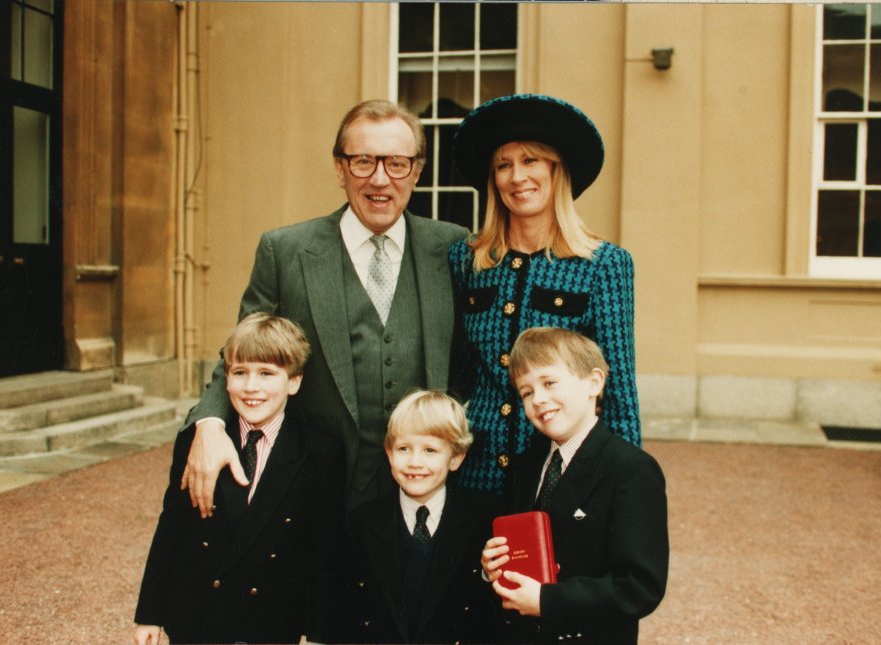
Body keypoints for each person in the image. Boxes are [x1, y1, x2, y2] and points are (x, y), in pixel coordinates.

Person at [181, 99, 467, 512]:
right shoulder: (286, 251)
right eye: (363, 161)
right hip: (316, 491)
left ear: (417, 171)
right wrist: (207, 424)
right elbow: (239, 354)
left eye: (397, 163)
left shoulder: (452, 247)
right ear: (339, 169)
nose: (380, 179)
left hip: (422, 490)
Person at [449, 93, 641, 494]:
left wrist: (624, 490)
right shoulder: (468, 261)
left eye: (530, 161)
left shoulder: (603, 264)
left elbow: (617, 389)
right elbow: (458, 378)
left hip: (555, 474)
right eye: (504, 165)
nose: (517, 177)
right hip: (473, 470)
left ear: (557, 171)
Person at [133, 313, 345, 645]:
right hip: (199, 620)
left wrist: (317, 633)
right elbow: (171, 528)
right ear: (226, 378)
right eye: (240, 372)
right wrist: (149, 614)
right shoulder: (197, 442)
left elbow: (326, 550)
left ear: (294, 382)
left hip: (272, 622)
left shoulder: (320, 451)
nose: (251, 387)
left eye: (266, 373)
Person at [481, 327, 668, 645]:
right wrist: (493, 564)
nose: (538, 399)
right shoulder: (529, 462)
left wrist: (547, 601)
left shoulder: (631, 470)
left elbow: (638, 586)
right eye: (526, 392)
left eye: (549, 382)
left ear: (593, 383)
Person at [341, 389, 500, 644]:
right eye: (404, 448)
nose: (415, 462)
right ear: (389, 453)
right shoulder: (363, 521)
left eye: (430, 450)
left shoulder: (484, 518)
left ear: (456, 458)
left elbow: (489, 614)